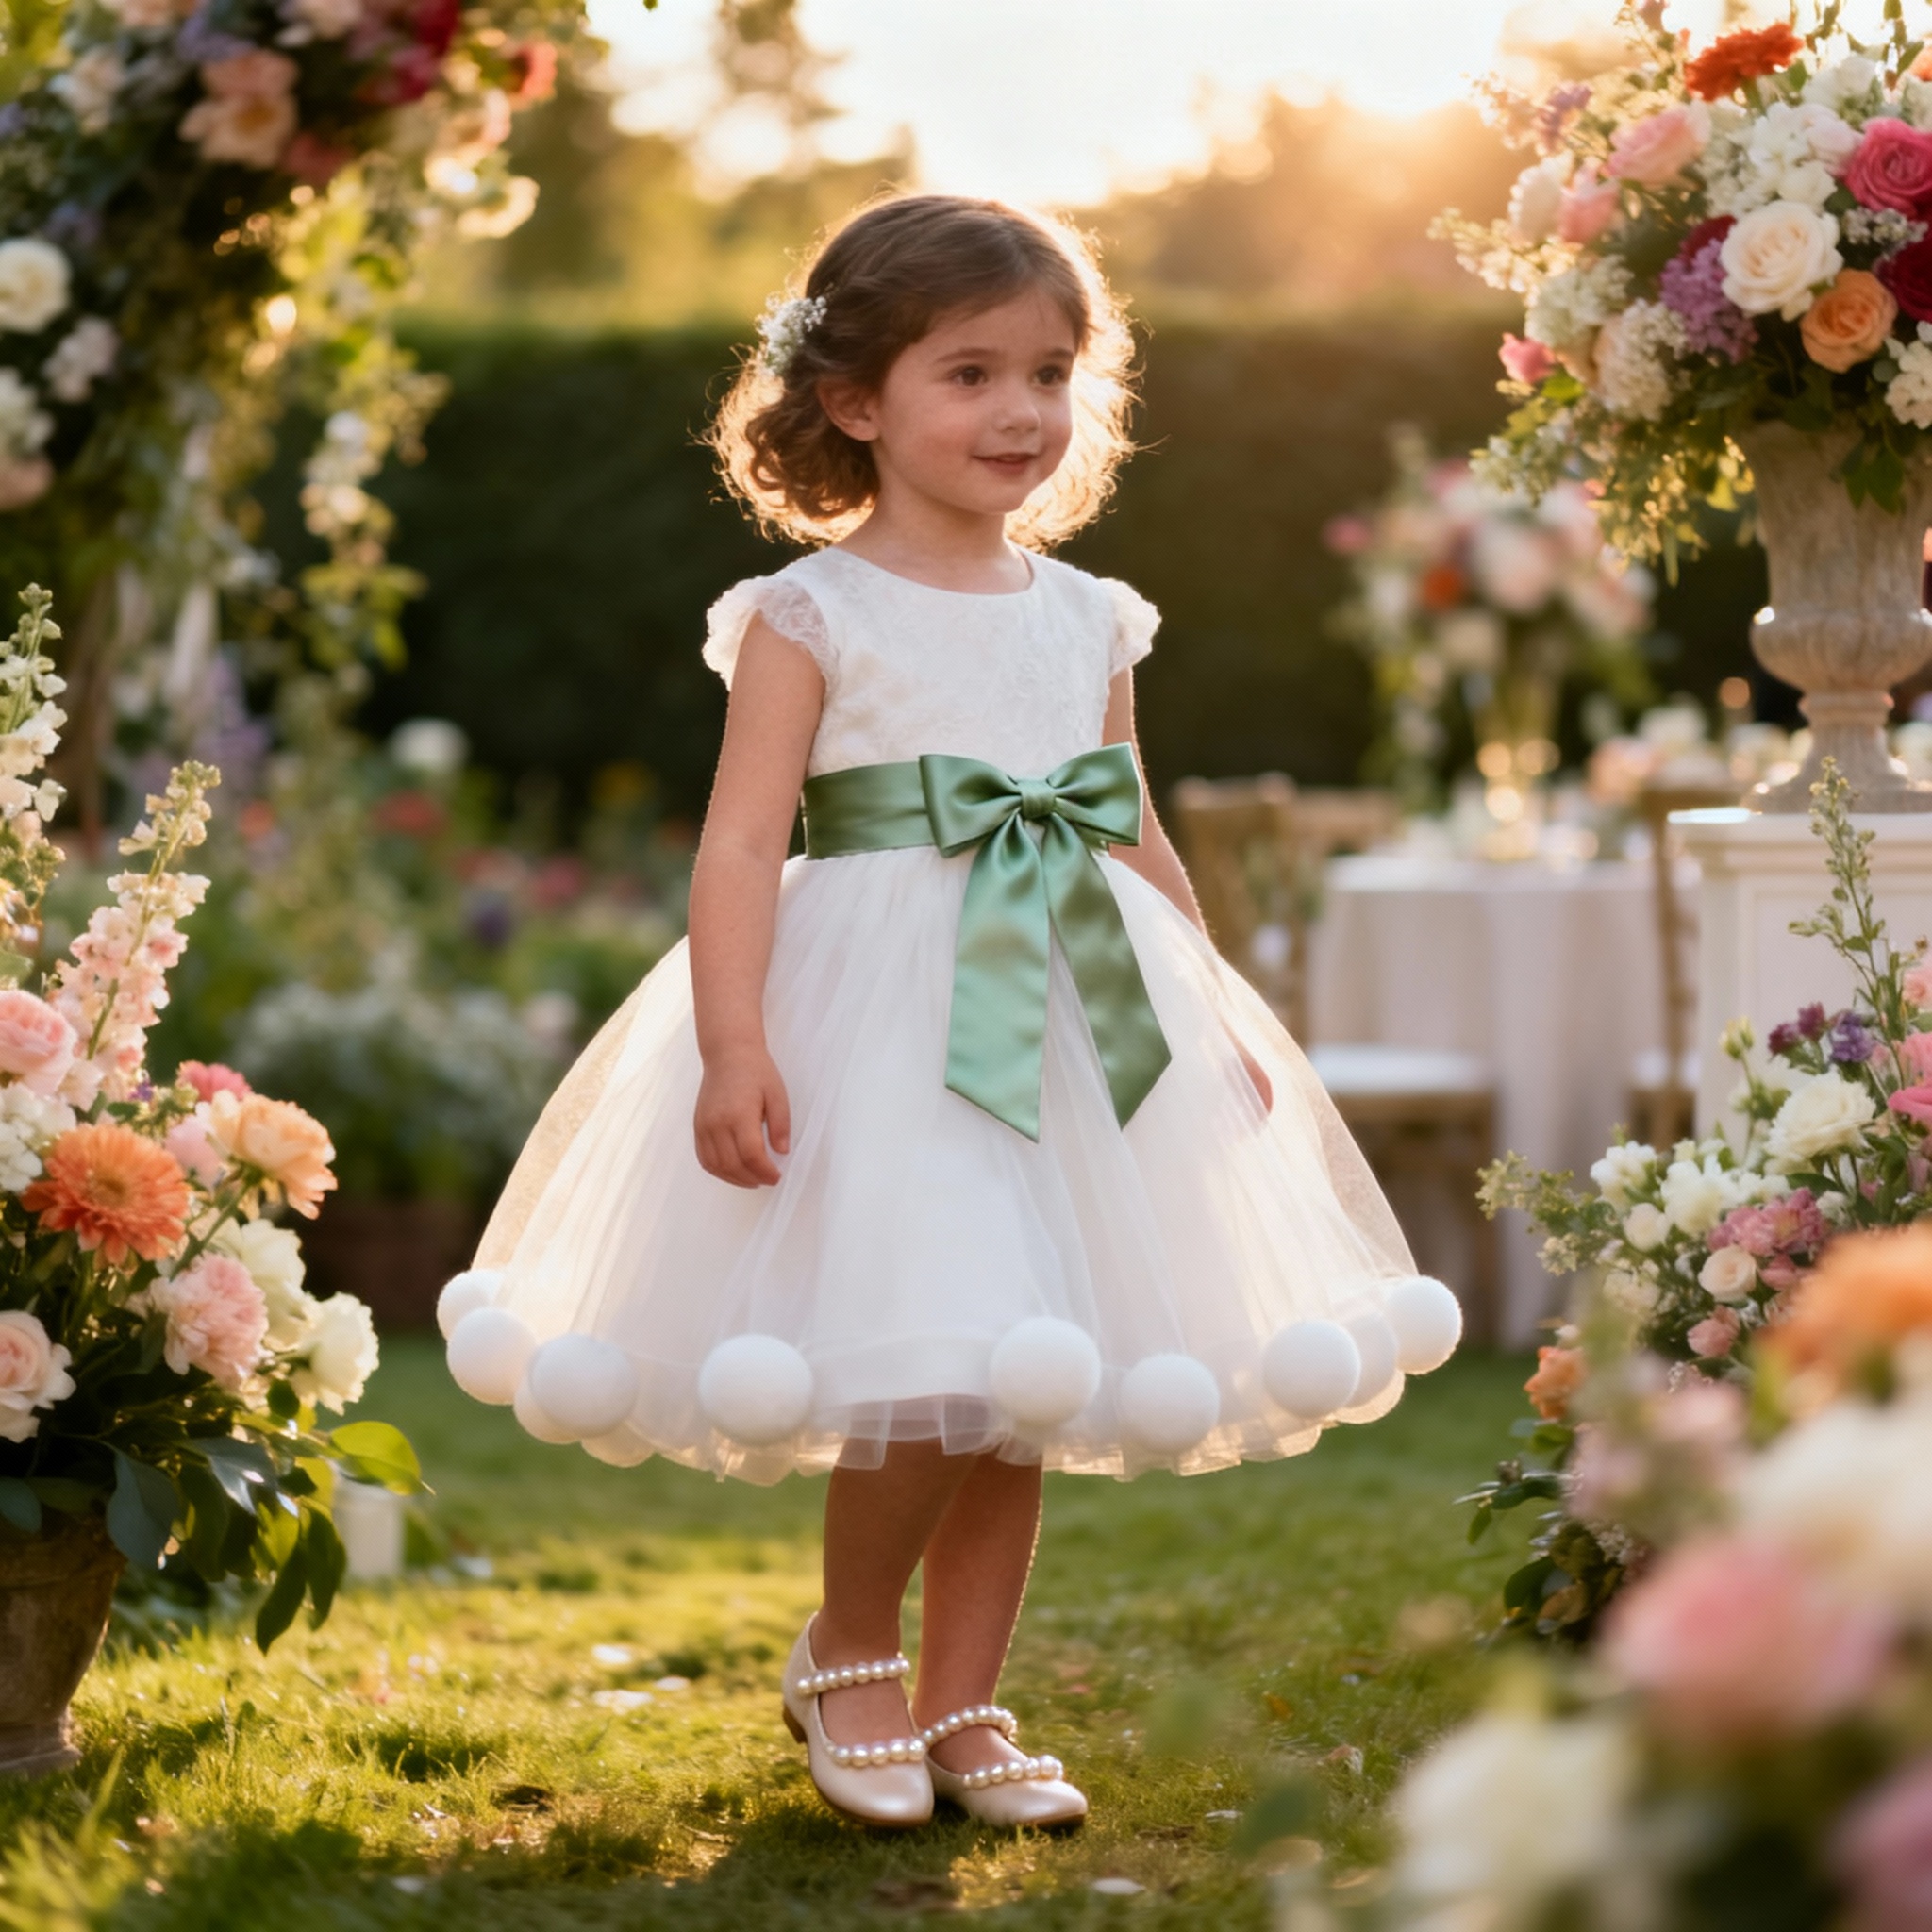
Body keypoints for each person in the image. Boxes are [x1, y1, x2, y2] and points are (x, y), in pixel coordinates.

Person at [439, 192, 1461, 1832]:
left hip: (1065, 1002)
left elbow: (1127, 828)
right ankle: (850, 1652)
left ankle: (965, 1699)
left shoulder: (1089, 617)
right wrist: (738, 1040)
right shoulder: (809, 614)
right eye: (970, 373)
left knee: (1029, 1374)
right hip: (882, 1021)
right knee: (936, 1348)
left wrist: (1209, 1030)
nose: (1019, 413)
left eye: (1050, 374)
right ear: (854, 400)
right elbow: (740, 840)